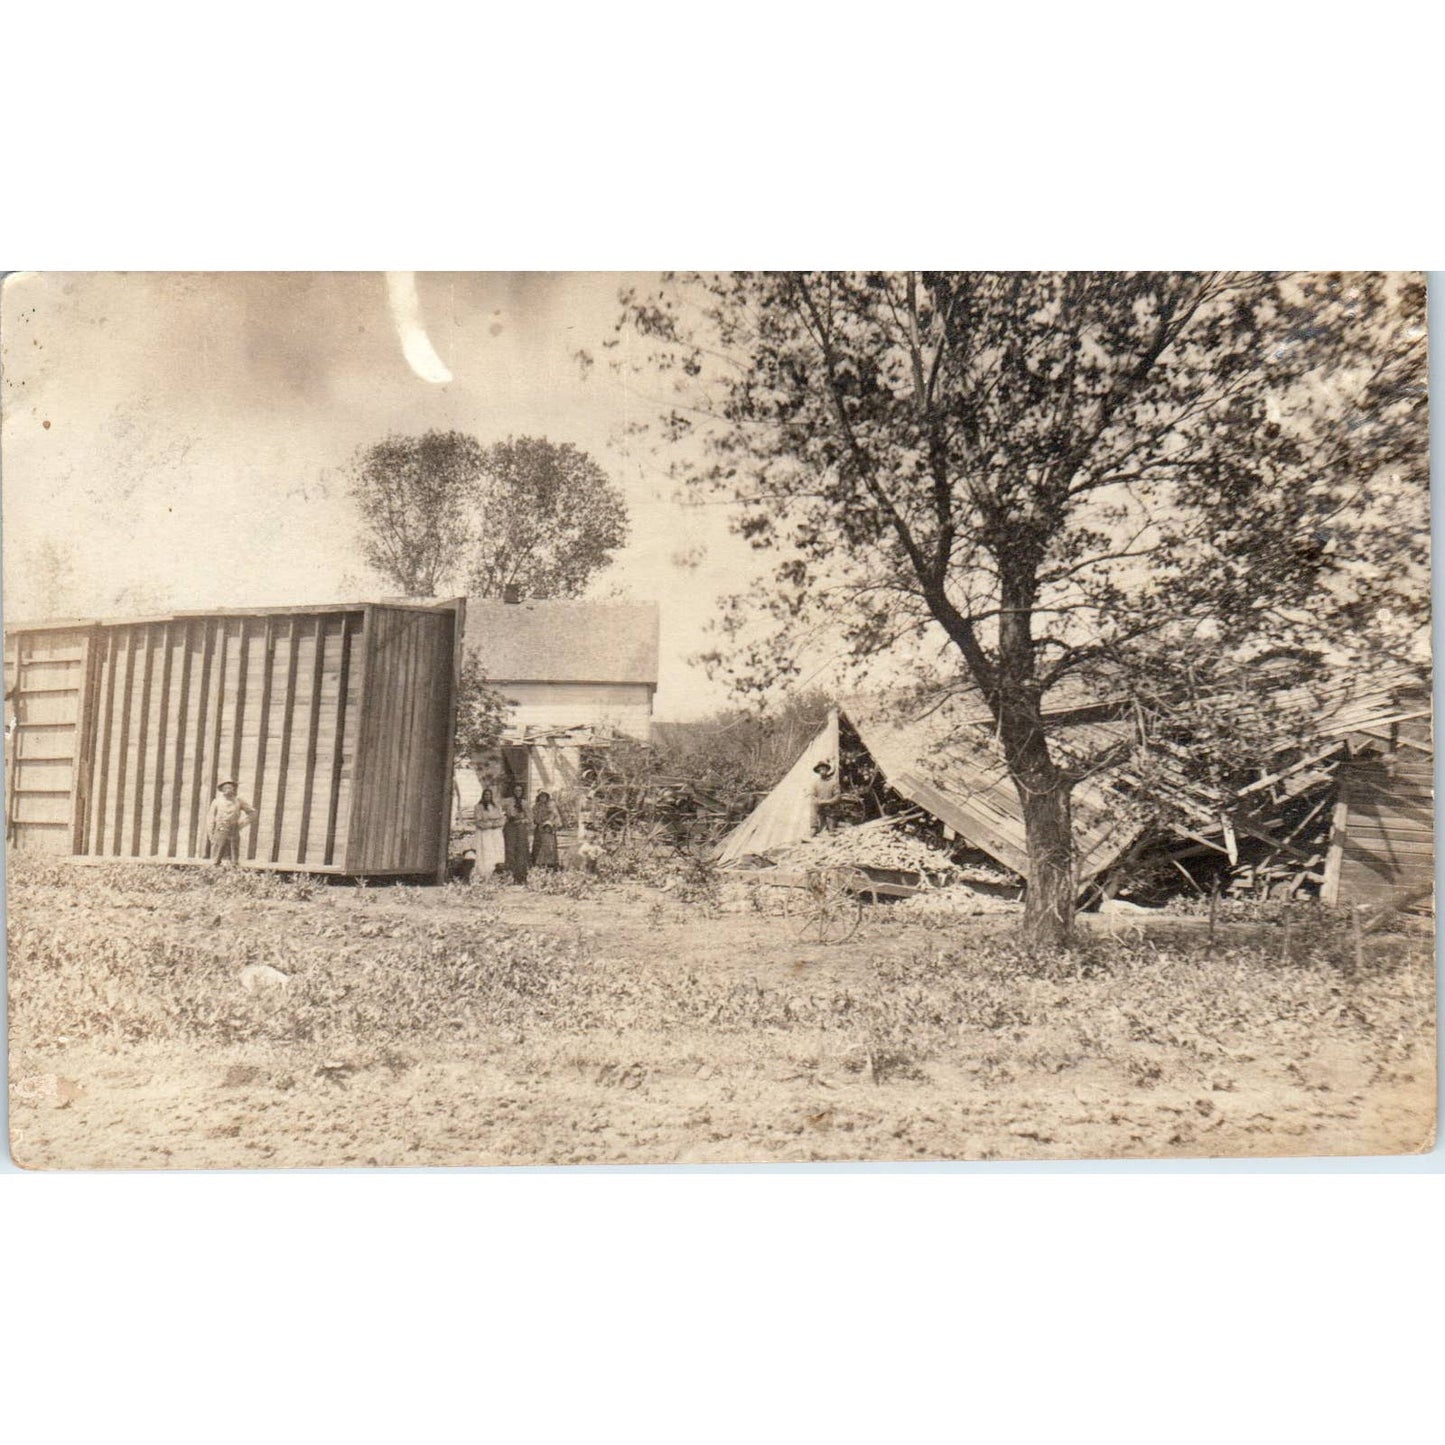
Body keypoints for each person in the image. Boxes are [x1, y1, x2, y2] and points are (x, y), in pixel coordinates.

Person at [207, 780, 257, 865]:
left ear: (233, 789)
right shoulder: (216, 801)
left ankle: (234, 872)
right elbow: (210, 817)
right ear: (221, 789)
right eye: (225, 787)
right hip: (220, 829)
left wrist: (242, 824)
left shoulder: (238, 801)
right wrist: (211, 832)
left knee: (234, 858)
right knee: (216, 858)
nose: (228, 789)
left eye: (230, 787)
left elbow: (253, 813)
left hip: (233, 830)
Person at [472, 786, 506, 881]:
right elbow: (478, 821)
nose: (488, 797)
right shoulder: (478, 807)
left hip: (495, 833)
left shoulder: (496, 807)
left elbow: (501, 819)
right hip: (485, 833)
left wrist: (495, 823)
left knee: (495, 852)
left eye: (489, 795)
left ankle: (494, 873)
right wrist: (489, 823)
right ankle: (484, 873)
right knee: (485, 851)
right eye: (486, 795)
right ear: (483, 796)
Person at [501, 782, 530, 884]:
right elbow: (500, 811)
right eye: (516, 790)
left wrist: (522, 821)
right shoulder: (507, 801)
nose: (518, 792)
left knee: (521, 851)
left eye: (520, 790)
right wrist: (505, 816)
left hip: (521, 828)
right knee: (510, 850)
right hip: (510, 827)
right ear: (513, 791)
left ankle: (521, 875)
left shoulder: (525, 803)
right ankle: (510, 875)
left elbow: (529, 818)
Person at [531, 790, 562, 869]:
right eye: (541, 797)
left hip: (549, 828)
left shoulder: (551, 806)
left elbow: (556, 817)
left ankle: (551, 863)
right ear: (539, 797)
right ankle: (538, 863)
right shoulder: (536, 806)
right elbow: (534, 818)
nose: (543, 798)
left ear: (547, 797)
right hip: (540, 828)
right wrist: (540, 820)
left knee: (550, 845)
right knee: (539, 845)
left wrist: (552, 824)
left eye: (544, 796)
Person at [810, 760, 841, 835]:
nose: (822, 771)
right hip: (820, 809)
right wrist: (819, 802)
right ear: (818, 771)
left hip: (830, 808)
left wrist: (827, 802)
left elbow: (837, 797)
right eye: (820, 770)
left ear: (827, 770)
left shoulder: (833, 782)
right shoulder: (816, 784)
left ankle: (831, 827)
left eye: (824, 769)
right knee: (813, 805)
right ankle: (813, 827)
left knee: (831, 830)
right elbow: (813, 796)